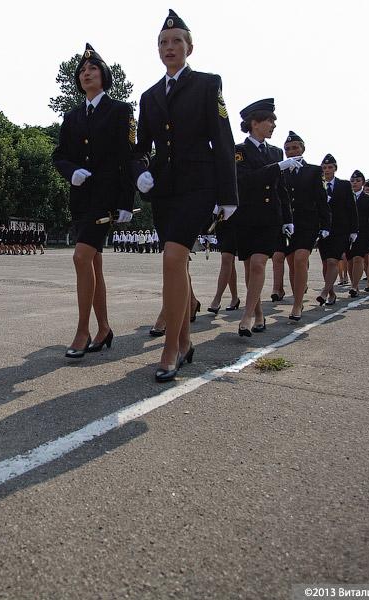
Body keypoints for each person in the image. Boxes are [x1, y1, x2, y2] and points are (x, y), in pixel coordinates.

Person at [133, 10, 238, 381]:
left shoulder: (208, 85)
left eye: (177, 40)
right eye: (163, 42)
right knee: (177, 263)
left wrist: (228, 194)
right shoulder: (148, 97)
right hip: (165, 188)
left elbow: (223, 139)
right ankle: (187, 341)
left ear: (189, 47)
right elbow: (140, 146)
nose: (169, 47)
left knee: (173, 257)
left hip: (199, 184)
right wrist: (141, 172)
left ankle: (171, 347)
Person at [52, 43, 135, 359]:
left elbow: (127, 157)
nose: (86, 73)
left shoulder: (119, 110)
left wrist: (127, 201)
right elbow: (59, 155)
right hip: (81, 200)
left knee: (81, 258)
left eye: (93, 69)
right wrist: (71, 171)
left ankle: (82, 330)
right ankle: (104, 328)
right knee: (94, 263)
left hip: (105, 200)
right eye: (82, 71)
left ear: (104, 75)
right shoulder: (72, 116)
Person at [233, 98, 298, 334]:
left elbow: (280, 189)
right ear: (254, 122)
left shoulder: (275, 151)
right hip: (246, 216)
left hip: (269, 217)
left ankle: (247, 317)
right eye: (269, 120)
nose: (273, 125)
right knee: (250, 268)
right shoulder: (239, 151)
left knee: (259, 264)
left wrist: (288, 218)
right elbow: (245, 180)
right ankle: (259, 313)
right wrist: (277, 168)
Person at [279, 131, 329, 317]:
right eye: (287, 149)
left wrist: (325, 225)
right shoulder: (281, 170)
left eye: (295, 148)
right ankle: (297, 294)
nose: (291, 152)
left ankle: (297, 304)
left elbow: (321, 199)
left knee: (300, 259)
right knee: (292, 263)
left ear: (303, 148)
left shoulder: (314, 171)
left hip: (308, 223)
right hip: (287, 224)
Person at [318, 154, 357, 306]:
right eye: (324, 167)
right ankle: (331, 293)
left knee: (333, 261)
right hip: (323, 230)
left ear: (335, 168)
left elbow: (351, 208)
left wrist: (354, 230)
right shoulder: (317, 184)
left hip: (341, 229)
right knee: (326, 264)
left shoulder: (344, 185)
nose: (327, 170)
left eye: (330, 167)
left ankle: (323, 292)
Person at [348, 171, 369, 296]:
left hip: (363, 234)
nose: (354, 183)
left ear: (362, 182)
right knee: (350, 260)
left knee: (358, 258)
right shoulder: (346, 197)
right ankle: (354, 283)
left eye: (357, 181)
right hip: (348, 233)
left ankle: (355, 286)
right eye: (352, 181)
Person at [207, 209, 241, 315]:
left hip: (237, 217)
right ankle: (235, 298)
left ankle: (217, 299)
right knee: (230, 262)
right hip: (221, 219)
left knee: (227, 258)